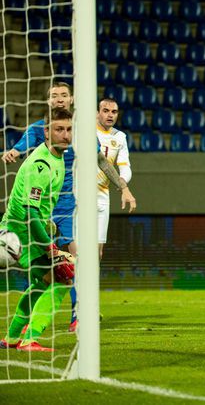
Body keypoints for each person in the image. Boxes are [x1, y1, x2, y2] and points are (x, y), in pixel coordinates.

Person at [1, 82, 137, 331]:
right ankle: (27, 323)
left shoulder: (81, 131)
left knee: (76, 262)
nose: (59, 99)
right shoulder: (37, 129)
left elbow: (101, 161)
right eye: (54, 96)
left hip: (66, 209)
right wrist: (13, 152)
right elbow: (19, 149)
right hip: (37, 207)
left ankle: (77, 315)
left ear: (71, 99)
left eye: (64, 95)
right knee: (44, 270)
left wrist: (123, 187)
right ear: (49, 100)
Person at [0, 108, 75, 351]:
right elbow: (31, 213)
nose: (65, 135)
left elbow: (39, 208)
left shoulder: (58, 157)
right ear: (46, 132)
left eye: (69, 129)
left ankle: (12, 338)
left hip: (30, 231)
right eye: (59, 129)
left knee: (46, 280)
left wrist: (48, 223)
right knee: (65, 276)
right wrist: (49, 247)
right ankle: (29, 338)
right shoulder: (41, 164)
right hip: (21, 233)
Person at [96, 97, 133, 259]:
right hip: (78, 195)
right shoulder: (83, 131)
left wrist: (123, 184)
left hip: (102, 196)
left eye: (114, 112)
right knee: (74, 249)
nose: (110, 115)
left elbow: (125, 166)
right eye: (105, 111)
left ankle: (90, 285)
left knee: (97, 252)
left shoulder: (120, 137)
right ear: (98, 113)